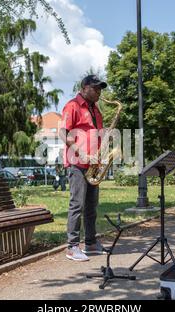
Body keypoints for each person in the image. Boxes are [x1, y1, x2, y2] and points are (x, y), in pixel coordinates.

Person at [59, 75, 108, 262]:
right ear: (84, 87)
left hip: (94, 165)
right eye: (95, 88)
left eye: (100, 89)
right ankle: (72, 247)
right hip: (77, 163)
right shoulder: (72, 106)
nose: (99, 92)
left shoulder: (96, 110)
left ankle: (90, 243)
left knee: (91, 206)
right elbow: (63, 132)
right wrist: (82, 153)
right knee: (77, 205)